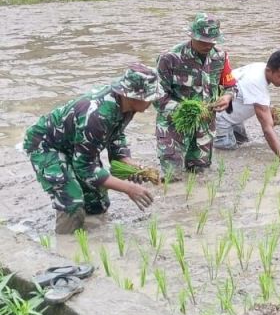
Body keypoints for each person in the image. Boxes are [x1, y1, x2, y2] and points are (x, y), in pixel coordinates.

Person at [25, 64, 162, 234]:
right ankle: (65, 247)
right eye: (150, 98)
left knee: (97, 203)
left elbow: (116, 136)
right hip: (47, 145)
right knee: (72, 203)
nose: (152, 102)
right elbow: (86, 169)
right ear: (133, 96)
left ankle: (92, 240)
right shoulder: (97, 115)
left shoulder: (127, 106)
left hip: (77, 144)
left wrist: (129, 164)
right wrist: (129, 189)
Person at [155, 13, 236, 178]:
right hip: (174, 125)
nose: (208, 45)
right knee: (172, 177)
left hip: (204, 128)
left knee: (200, 176)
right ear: (192, 36)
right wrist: (183, 109)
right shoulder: (170, 58)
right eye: (203, 41)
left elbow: (230, 86)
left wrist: (227, 97)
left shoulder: (220, 57)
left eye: (211, 41)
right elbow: (156, 95)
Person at [213, 49, 280, 162]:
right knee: (227, 155)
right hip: (221, 119)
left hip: (233, 116)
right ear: (269, 70)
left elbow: (255, 101)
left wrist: (277, 116)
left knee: (243, 144)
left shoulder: (260, 68)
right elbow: (267, 128)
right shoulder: (257, 84)